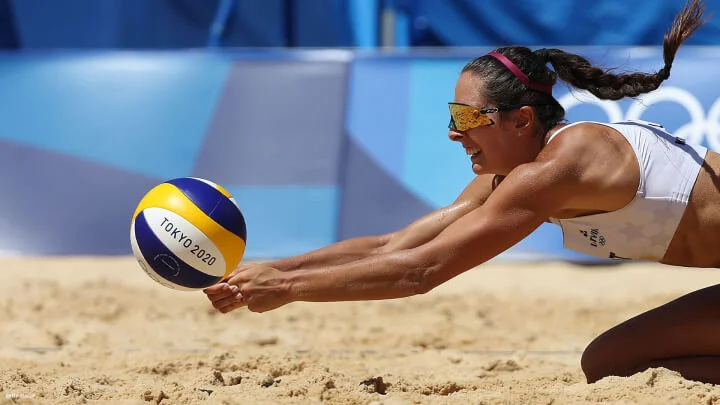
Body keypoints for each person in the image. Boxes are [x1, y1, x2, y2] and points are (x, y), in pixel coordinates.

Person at [204, 0, 720, 385]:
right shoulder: (518, 174)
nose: (454, 133)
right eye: (453, 116)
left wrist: (290, 291)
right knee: (608, 365)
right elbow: (395, 246)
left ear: (520, 121)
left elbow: (421, 272)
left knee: (611, 367)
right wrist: (278, 270)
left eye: (469, 117)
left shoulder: (560, 165)